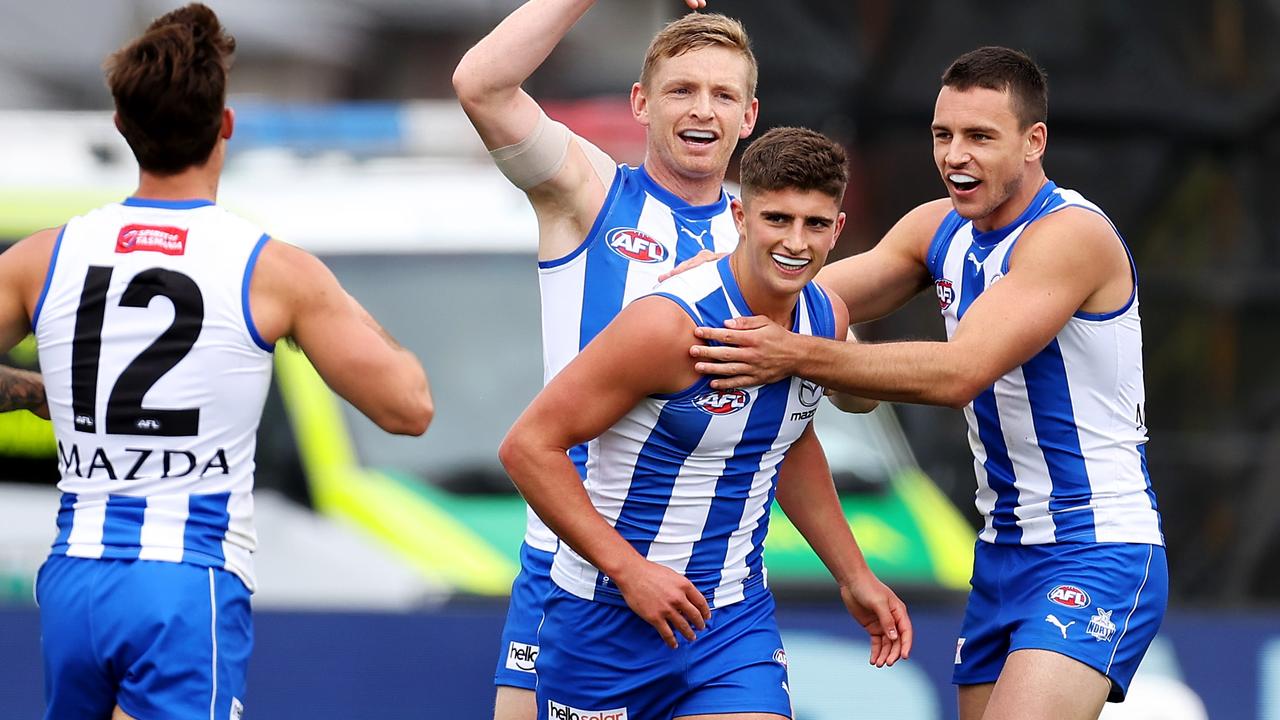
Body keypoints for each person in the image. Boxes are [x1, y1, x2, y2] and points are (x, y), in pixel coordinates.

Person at [686, 47, 1167, 720]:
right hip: (1004, 552)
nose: (955, 155)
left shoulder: (1068, 238)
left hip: (1096, 549)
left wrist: (793, 352)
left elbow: (958, 373)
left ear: (1034, 143)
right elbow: (801, 291)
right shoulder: (937, 226)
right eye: (944, 135)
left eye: (979, 137)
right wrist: (686, 298)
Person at [0, 5, 433, 719]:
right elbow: (408, 406)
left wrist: (28, 390)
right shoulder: (273, 269)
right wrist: (327, 307)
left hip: (75, 576)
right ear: (224, 125)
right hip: (185, 580)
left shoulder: (43, 256)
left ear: (121, 127)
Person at [500, 126, 910, 720]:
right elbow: (527, 447)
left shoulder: (826, 315)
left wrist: (854, 575)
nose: (796, 242)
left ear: (838, 230)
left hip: (732, 624)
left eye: (815, 224)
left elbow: (787, 446)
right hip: (605, 620)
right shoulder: (668, 325)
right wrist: (629, 570)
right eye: (778, 219)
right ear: (741, 216)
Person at [453, 3, 765, 717]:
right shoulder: (592, 194)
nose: (702, 110)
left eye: (723, 95)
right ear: (641, 103)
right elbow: (481, 85)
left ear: (749, 116)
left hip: (713, 590)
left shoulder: (765, 231)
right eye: (682, 89)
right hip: (571, 569)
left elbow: (837, 383)